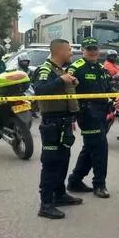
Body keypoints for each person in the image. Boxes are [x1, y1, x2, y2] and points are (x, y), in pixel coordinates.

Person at [33, 38, 82, 219]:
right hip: (52, 123)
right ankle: (45, 205)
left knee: (63, 159)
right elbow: (39, 90)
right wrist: (60, 80)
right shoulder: (45, 70)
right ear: (60, 51)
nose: (71, 53)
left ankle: (59, 195)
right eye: (69, 50)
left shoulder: (61, 70)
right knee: (51, 163)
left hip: (64, 120)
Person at [66, 37, 112, 199]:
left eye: (95, 48)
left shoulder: (101, 69)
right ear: (83, 50)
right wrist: (73, 115)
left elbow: (109, 89)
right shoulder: (76, 68)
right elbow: (68, 90)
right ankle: (99, 184)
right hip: (87, 113)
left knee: (91, 148)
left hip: (102, 113)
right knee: (100, 148)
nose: (92, 51)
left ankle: (75, 180)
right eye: (89, 48)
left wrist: (117, 99)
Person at [17, 53, 39, 118]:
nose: (25, 63)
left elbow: (34, 79)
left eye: (26, 61)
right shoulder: (17, 71)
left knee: (35, 96)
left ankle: (33, 111)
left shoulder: (30, 70)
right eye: (23, 61)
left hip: (29, 87)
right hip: (20, 87)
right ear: (20, 62)